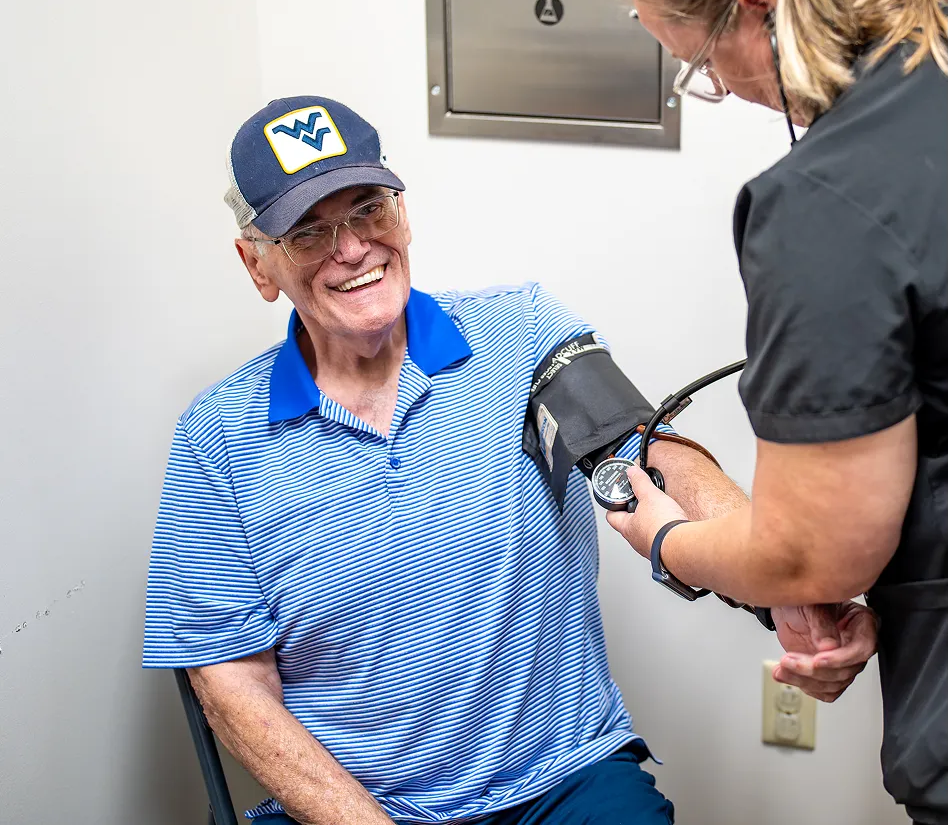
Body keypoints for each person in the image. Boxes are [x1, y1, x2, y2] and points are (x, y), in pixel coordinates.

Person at [144, 96, 875, 825]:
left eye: (367, 210)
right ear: (256, 263)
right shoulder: (218, 440)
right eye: (308, 232)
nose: (352, 248)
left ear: (402, 214)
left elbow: (647, 456)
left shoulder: (520, 334)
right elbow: (232, 683)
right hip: (354, 809)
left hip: (562, 781)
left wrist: (781, 580)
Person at [608, 0, 948, 825]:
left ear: (759, 6)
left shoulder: (827, 200)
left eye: (702, 65)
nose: (718, 86)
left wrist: (668, 540)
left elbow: (815, 554)